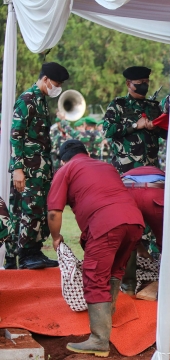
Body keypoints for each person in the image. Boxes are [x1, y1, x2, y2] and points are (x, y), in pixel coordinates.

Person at [47, 140, 144, 357]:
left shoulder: (67, 169)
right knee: (114, 270)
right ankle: (107, 317)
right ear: (87, 153)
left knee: (95, 276)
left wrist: (56, 238)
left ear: (63, 160)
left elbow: (54, 212)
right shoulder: (106, 166)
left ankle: (99, 340)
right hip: (134, 221)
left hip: (106, 224)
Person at [6, 62, 70, 270]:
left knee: (38, 210)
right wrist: (17, 169)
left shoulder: (40, 100)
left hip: (40, 168)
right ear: (44, 79)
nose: (57, 87)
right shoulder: (27, 99)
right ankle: (24, 255)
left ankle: (33, 251)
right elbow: (16, 135)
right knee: (28, 211)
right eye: (56, 83)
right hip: (28, 168)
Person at [102, 66, 166, 174]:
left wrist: (156, 127)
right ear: (128, 84)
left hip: (151, 169)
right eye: (140, 82)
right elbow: (107, 130)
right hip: (125, 170)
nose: (144, 85)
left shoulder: (154, 107)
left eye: (146, 82)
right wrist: (134, 125)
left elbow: (167, 134)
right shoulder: (118, 105)